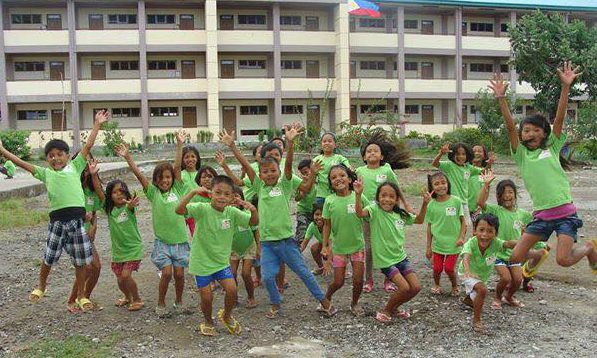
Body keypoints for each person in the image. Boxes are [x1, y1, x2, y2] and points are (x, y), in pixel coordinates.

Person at [488, 61, 596, 273]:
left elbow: (560, 118)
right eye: (526, 130)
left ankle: (590, 248)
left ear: (545, 133)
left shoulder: (552, 147)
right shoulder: (521, 155)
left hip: (565, 213)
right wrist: (501, 99)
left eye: (536, 130)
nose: (531, 134)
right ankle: (539, 253)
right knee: (515, 257)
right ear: (521, 136)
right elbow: (510, 126)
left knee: (564, 260)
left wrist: (566, 87)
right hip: (542, 217)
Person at [220, 124, 335, 318]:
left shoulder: (285, 185)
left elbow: (289, 166)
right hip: (267, 244)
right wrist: (232, 147)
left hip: (286, 242)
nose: (269, 174)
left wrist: (290, 144)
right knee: (266, 277)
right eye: (264, 172)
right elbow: (247, 167)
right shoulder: (260, 187)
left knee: (304, 273)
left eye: (273, 170)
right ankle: (275, 303)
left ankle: (325, 302)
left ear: (278, 171)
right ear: (261, 175)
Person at [0, 110, 110, 312]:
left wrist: (97, 124)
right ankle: (41, 286)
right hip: (57, 223)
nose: (56, 158)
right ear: (46, 159)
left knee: (80, 261)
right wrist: (3, 151)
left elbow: (88, 146)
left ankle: (80, 296)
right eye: (51, 156)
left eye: (60, 154)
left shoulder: (75, 167)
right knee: (48, 257)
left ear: (68, 156)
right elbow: (21, 163)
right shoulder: (45, 173)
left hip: (77, 222)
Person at [115, 131, 189, 318]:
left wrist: (179, 144)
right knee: (166, 273)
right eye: (161, 178)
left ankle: (179, 302)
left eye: (168, 177)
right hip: (163, 243)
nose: (165, 180)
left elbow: (178, 166)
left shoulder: (178, 189)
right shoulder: (154, 193)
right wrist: (128, 157)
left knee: (180, 275)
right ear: (156, 180)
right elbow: (139, 175)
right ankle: (161, 303)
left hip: (180, 242)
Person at [176, 176, 258, 336]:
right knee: (207, 297)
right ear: (210, 193)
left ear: (233, 197)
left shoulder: (232, 212)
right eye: (218, 192)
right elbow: (179, 210)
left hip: (221, 263)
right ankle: (208, 321)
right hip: (201, 263)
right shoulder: (202, 208)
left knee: (232, 290)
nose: (222, 197)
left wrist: (253, 210)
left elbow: (253, 222)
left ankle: (227, 316)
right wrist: (193, 192)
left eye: (227, 194)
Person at [354, 181, 431, 323]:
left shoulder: (400, 214)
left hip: (401, 258)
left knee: (415, 288)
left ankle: (395, 308)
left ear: (396, 200)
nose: (387, 199)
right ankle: (386, 310)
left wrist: (425, 203)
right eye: (383, 195)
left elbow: (419, 220)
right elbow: (359, 213)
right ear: (378, 198)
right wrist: (358, 195)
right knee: (404, 287)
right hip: (385, 260)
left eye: (391, 196)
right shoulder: (374, 210)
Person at [477, 172, 550, 305]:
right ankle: (497, 298)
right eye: (503, 193)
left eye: (510, 192)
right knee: (505, 278)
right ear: (499, 197)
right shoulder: (496, 211)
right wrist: (486, 185)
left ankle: (509, 297)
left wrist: (540, 244)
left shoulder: (523, 214)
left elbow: (533, 229)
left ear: (515, 195)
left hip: (515, 255)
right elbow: (480, 202)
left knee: (517, 280)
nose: (507, 195)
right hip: (498, 253)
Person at [355, 130, 404, 293]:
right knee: (368, 248)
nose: (372, 153)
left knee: (388, 246)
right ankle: (368, 280)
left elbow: (396, 189)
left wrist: (405, 205)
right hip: (368, 214)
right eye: (369, 151)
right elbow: (353, 190)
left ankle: (388, 280)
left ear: (382, 156)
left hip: (385, 214)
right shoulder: (360, 171)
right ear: (364, 157)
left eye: (376, 150)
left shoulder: (387, 170)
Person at [321, 164, 368, 316]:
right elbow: (326, 225)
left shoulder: (359, 196)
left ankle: (354, 303)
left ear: (349, 179)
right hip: (339, 248)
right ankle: (325, 298)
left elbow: (372, 213)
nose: (338, 179)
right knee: (338, 281)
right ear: (330, 182)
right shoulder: (329, 201)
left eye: (342, 175)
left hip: (357, 246)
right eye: (333, 177)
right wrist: (325, 246)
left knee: (358, 280)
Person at [459, 214, 517, 334]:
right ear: (474, 231)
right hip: (467, 273)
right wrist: (467, 271)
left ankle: (467, 300)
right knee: (482, 290)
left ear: (496, 233)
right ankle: (477, 321)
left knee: (477, 293)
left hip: (481, 276)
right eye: (481, 230)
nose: (485, 235)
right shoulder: (471, 243)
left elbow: (507, 244)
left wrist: (524, 242)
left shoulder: (496, 243)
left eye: (490, 231)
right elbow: (466, 256)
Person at [67, 156, 104, 312]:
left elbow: (97, 208)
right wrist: (82, 217)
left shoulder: (91, 190)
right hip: (73, 233)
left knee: (96, 267)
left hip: (87, 236)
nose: (86, 166)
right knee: (86, 267)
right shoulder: (70, 187)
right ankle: (71, 301)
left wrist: (93, 227)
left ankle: (84, 298)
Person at [103, 179, 145, 312]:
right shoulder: (109, 210)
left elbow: (131, 206)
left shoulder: (129, 208)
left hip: (133, 248)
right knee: (120, 280)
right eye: (114, 192)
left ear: (126, 193)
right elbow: (99, 193)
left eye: (121, 191)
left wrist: (131, 204)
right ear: (110, 196)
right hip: (118, 251)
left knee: (126, 276)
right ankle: (127, 297)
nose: (119, 194)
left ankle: (137, 299)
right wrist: (93, 175)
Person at [424, 171, 467, 296]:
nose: (441, 186)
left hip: (454, 244)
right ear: (432, 187)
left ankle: (454, 286)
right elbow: (429, 226)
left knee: (449, 268)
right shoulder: (431, 205)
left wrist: (461, 237)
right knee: (437, 269)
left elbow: (463, 222)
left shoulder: (456, 201)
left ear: (448, 184)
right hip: (438, 244)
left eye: (443, 182)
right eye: (436, 184)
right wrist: (428, 247)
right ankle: (437, 285)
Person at [432, 142, 482, 228]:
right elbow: (435, 164)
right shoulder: (449, 166)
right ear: (452, 154)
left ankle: (461, 240)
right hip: (451, 202)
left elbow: (482, 171)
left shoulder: (468, 168)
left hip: (464, 203)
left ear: (467, 155)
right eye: (458, 154)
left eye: (463, 154)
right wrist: (441, 153)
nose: (460, 156)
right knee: (451, 225)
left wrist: (489, 164)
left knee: (464, 225)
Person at [229, 185, 260, 309]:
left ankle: (251, 296)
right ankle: (234, 298)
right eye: (230, 197)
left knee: (246, 273)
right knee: (231, 274)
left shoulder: (246, 213)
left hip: (249, 246)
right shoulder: (226, 215)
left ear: (242, 198)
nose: (234, 199)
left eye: (236, 196)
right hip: (232, 248)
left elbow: (255, 230)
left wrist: (259, 246)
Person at [313, 132, 350, 205]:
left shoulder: (339, 158)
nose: (327, 143)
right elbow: (312, 176)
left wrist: (350, 167)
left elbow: (348, 167)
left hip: (336, 193)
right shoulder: (316, 160)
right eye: (324, 141)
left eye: (330, 141)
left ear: (335, 145)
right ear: (321, 145)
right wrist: (314, 172)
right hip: (321, 195)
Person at [468, 145, 495, 221]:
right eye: (474, 151)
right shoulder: (465, 169)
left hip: (478, 209)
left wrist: (481, 206)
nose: (476, 153)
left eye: (479, 151)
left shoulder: (487, 172)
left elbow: (487, 191)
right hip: (464, 207)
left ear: (484, 155)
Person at [179, 145, 202, 234]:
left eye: (193, 156)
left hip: (196, 211)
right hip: (182, 210)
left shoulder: (201, 174)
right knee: (179, 235)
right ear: (182, 160)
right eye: (186, 157)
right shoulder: (180, 175)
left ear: (197, 158)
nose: (190, 159)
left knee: (196, 235)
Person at [295, 159, 317, 245]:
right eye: (302, 173)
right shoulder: (301, 183)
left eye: (306, 172)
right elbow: (296, 198)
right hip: (303, 210)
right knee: (301, 232)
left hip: (317, 210)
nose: (304, 175)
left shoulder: (319, 180)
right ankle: (296, 250)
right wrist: (302, 193)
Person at [299, 202, 325, 275]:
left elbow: (333, 244)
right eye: (317, 214)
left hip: (336, 247)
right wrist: (295, 254)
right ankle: (321, 268)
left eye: (322, 214)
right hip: (324, 245)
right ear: (313, 215)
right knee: (314, 248)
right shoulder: (312, 226)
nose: (319, 217)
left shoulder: (330, 224)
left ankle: (342, 268)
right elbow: (304, 244)